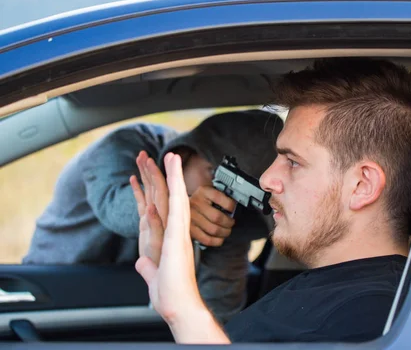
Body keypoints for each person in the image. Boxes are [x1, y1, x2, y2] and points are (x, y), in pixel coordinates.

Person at [132, 58, 411, 343]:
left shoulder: (372, 318)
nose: (267, 179)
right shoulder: (337, 294)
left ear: (362, 185)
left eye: (293, 162)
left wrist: (183, 311)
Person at [23, 109, 283, 324]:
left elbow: (221, 304)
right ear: (185, 153)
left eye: (236, 197)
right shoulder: (125, 145)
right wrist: (176, 209)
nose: (215, 198)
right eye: (212, 174)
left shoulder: (223, 218)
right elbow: (115, 203)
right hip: (51, 288)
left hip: (131, 301)